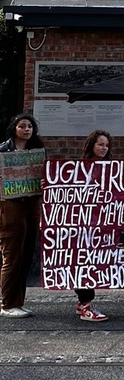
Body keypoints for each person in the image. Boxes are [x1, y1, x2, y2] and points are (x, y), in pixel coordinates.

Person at [0, 113, 45, 318]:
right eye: (22, 126)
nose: (27, 129)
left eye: (30, 126)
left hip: (32, 203)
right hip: (11, 205)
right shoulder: (3, 150)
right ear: (14, 129)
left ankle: (18, 301)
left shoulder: (37, 151)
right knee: (12, 254)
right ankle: (7, 303)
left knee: (27, 254)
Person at [75, 130, 113, 322]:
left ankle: (83, 303)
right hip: (83, 224)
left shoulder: (112, 167)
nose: (104, 148)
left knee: (94, 263)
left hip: (102, 225)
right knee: (83, 261)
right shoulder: (79, 168)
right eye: (100, 144)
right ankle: (85, 304)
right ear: (91, 145)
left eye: (106, 145)